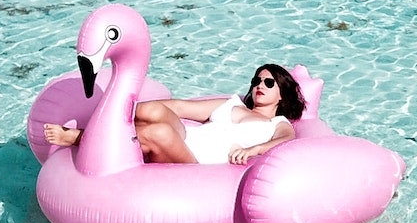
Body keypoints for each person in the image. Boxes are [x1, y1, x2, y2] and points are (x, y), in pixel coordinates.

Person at [44, 64, 305, 165]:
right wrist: (124, 106)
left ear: (282, 93)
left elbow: (286, 140)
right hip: (186, 137)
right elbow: (180, 108)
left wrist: (254, 149)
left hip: (198, 159)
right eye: (256, 80)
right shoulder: (231, 103)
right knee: (152, 110)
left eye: (269, 83)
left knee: (157, 132)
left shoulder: (276, 124)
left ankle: (81, 138)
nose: (260, 85)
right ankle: (103, 124)